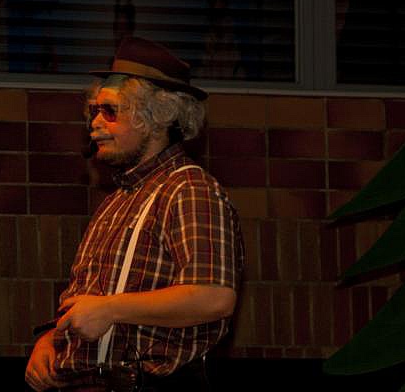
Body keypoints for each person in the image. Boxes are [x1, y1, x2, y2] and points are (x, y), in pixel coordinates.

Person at [25, 37, 244, 391]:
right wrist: (51, 341)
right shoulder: (117, 201)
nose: (95, 123)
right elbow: (92, 302)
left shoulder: (189, 189)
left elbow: (215, 297)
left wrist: (111, 309)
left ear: (155, 118)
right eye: (94, 111)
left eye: (110, 111)